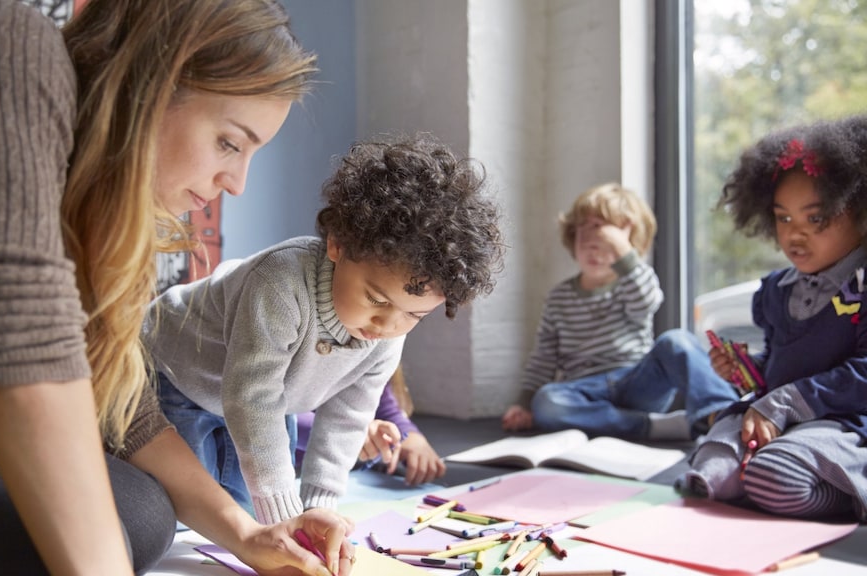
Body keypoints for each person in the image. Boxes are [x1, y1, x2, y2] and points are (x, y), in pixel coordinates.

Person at [0, 1, 359, 575]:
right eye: (229, 143)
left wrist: (248, 533)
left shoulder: (85, 199)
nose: (236, 183)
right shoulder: (5, 49)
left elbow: (123, 405)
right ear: (152, 85)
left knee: (136, 512)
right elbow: (14, 343)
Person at [144, 133, 504, 524]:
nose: (388, 325)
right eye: (376, 299)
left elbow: (348, 416)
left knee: (252, 516)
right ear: (337, 244)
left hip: (267, 399)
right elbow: (252, 399)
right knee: (194, 514)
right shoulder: (279, 283)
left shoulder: (389, 333)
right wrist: (287, 519)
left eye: (414, 316)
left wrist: (318, 507)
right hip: (177, 373)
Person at [677, 116, 867, 521]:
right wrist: (747, 371)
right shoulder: (776, 291)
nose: (795, 234)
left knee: (774, 475)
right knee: (710, 466)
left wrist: (781, 404)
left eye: (815, 218)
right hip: (783, 421)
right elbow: (780, 370)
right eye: (784, 218)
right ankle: (762, 481)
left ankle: (846, 493)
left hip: (845, 425)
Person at [501, 183, 737, 440]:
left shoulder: (632, 283)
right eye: (584, 236)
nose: (592, 248)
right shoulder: (559, 297)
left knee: (677, 340)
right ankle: (653, 426)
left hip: (636, 382)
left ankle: (726, 414)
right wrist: (524, 403)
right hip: (585, 390)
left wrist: (621, 249)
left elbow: (647, 301)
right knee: (547, 402)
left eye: (603, 241)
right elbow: (543, 357)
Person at [294, 371, 448, 486]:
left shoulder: (377, 347)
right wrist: (345, 431)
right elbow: (281, 415)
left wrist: (410, 435)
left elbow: (383, 404)